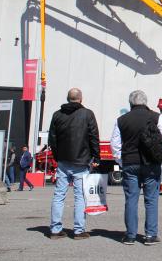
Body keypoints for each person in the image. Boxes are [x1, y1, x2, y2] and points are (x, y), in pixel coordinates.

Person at [111, 90, 162, 245]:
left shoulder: (121, 120)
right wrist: (153, 143)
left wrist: (121, 161)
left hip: (130, 163)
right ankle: (151, 235)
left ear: (130, 103)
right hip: (151, 163)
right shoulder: (156, 117)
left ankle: (130, 235)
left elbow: (115, 145)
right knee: (151, 199)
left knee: (131, 199)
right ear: (146, 102)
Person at [48, 88, 100, 240]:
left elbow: (52, 138)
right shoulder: (87, 114)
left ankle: (55, 229)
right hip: (81, 160)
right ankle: (78, 230)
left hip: (63, 160)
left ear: (67, 98)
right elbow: (93, 136)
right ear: (81, 99)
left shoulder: (57, 115)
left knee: (59, 195)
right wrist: (96, 157)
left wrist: (57, 157)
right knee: (80, 197)